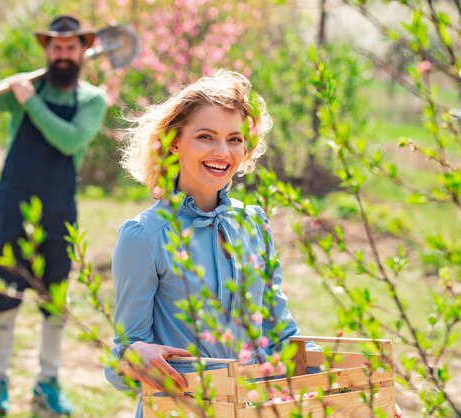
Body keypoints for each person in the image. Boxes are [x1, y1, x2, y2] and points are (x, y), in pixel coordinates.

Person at [104, 70, 322, 418]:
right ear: (174, 142)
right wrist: (134, 355)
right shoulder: (144, 235)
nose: (223, 152)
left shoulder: (254, 224)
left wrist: (367, 388)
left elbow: (282, 335)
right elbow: (123, 354)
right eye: (206, 136)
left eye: (235, 139)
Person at [0, 14, 107, 417]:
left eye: (70, 47)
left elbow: (69, 139)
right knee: (2, 299)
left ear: (82, 51)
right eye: (56, 47)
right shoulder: (21, 86)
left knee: (54, 304)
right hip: (11, 205)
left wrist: (31, 102)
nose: (62, 54)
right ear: (47, 50)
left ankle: (48, 384)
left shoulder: (92, 99)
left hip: (59, 210)